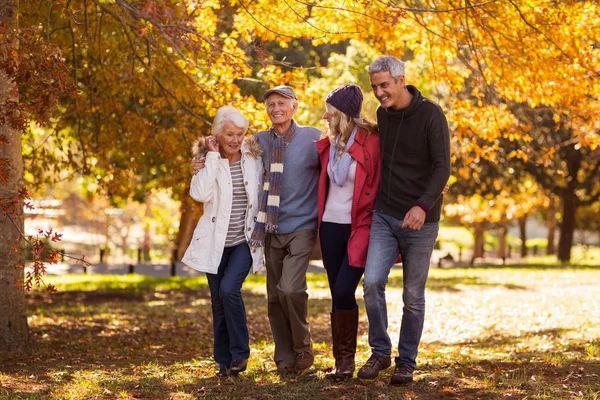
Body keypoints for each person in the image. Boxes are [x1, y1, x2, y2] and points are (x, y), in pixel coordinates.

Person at [357, 55, 451, 385]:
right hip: (385, 214)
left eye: (384, 85)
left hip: (421, 221)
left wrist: (423, 206)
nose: (380, 92)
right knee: (371, 284)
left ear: (401, 80)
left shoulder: (431, 115)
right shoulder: (383, 115)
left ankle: (406, 361)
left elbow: (442, 168)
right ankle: (380, 352)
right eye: (375, 87)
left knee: (412, 296)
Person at [182, 106, 264, 378]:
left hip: (243, 240)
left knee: (229, 290)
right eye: (229, 134)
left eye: (240, 134)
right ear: (217, 135)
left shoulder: (253, 157)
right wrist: (213, 157)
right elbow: (199, 193)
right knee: (218, 301)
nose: (236, 139)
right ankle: (223, 362)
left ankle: (240, 354)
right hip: (215, 244)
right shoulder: (208, 159)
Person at [248, 86, 321, 374]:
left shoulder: (313, 137)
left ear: (294, 106)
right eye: (270, 104)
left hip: (303, 226)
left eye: (281, 103)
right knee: (275, 297)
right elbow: (233, 155)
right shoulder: (259, 141)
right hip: (271, 227)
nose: (275, 108)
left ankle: (303, 347)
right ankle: (285, 357)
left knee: (290, 289)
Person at [315, 84, 380, 380]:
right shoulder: (328, 143)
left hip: (360, 226)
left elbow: (380, 180)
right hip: (329, 226)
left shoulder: (371, 142)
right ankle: (343, 362)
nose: (325, 115)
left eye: (330, 110)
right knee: (336, 294)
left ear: (343, 112)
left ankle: (348, 359)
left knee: (344, 290)